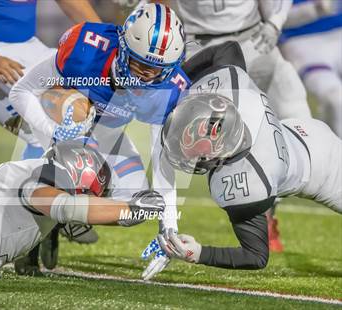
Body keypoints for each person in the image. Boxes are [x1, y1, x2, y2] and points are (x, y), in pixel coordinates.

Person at [0, 0, 102, 275]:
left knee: (84, 112)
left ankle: (51, 212)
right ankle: (27, 234)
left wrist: (111, 44)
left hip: (27, 45)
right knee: (39, 133)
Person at [9, 3, 190, 251]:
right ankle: (40, 195)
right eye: (139, 66)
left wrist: (168, 226)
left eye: (157, 71)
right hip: (63, 119)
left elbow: (162, 157)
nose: (146, 78)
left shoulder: (170, 88)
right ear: (123, 48)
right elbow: (21, 91)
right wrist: (52, 132)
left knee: (139, 208)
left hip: (108, 133)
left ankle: (62, 217)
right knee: (78, 110)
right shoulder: (87, 50)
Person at [144, 59, 341, 274]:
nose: (189, 154)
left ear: (224, 148)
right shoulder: (234, 92)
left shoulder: (247, 181)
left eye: (200, 151)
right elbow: (227, 51)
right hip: (300, 132)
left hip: (325, 170)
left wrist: (197, 253)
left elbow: (256, 256)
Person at [0, 140, 165, 279]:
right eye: (93, 196)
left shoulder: (41, 174)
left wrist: (132, 213)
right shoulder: (45, 176)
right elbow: (67, 208)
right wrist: (132, 208)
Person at [280, 0, 342, 137]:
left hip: (339, 32)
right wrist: (313, 9)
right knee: (335, 97)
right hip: (302, 40)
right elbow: (272, 19)